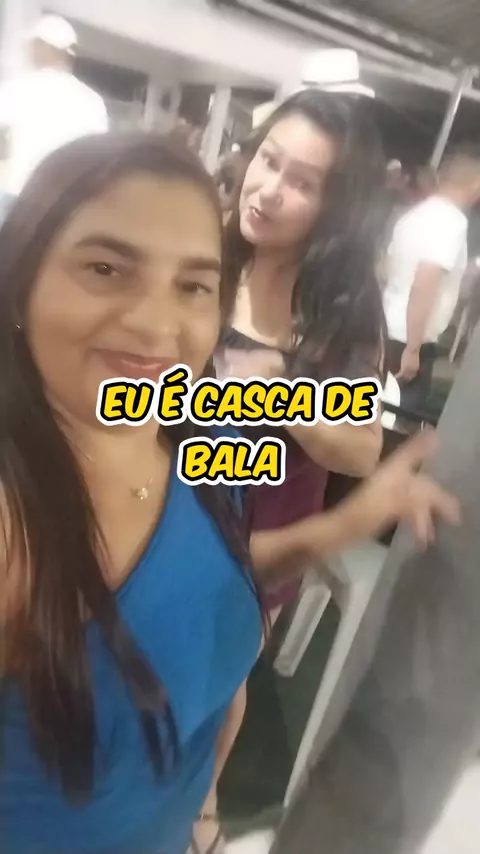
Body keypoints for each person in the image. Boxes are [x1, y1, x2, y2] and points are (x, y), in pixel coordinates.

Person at [0, 131, 458, 854]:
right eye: (105, 268)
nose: (157, 325)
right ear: (20, 278)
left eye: (192, 285)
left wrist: (349, 519)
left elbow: (213, 574)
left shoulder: (188, 424)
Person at [199, 89, 388, 852]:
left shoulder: (342, 310)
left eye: (301, 181)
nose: (269, 189)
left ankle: (203, 808)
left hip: (262, 534)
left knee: (219, 680)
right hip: (158, 507)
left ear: (337, 207)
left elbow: (362, 450)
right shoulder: (207, 253)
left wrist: (282, 394)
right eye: (268, 161)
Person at [383, 146, 480, 417]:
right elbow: (425, 281)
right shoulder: (452, 223)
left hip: (387, 325)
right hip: (410, 338)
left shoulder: (414, 215)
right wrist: (413, 349)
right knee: (398, 419)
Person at [0, 14, 108, 213]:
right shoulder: (92, 102)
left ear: (44, 47)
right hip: (61, 202)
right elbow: (95, 159)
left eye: (34, 44)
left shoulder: (17, 87)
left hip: (16, 193)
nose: (31, 50)